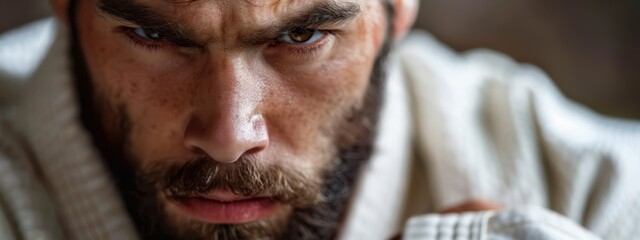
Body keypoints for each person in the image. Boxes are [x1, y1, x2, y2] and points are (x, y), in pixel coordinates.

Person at [0, 0, 638, 239]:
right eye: (151, 35)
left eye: (303, 35)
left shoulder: (598, 195)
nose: (229, 135)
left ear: (400, 8)